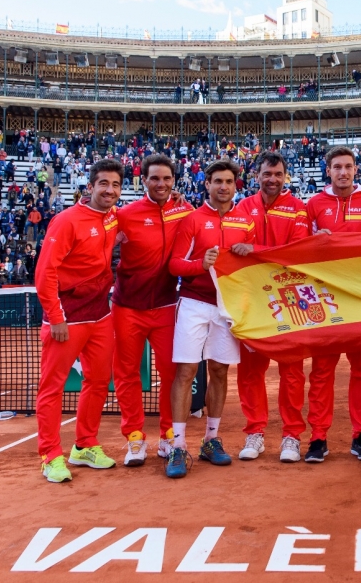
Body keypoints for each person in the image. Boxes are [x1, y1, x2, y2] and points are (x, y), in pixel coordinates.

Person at [35, 158, 123, 483]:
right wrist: (56, 317)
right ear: (90, 186)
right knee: (52, 387)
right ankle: (50, 456)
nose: (110, 190)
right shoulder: (65, 221)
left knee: (99, 381)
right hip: (66, 319)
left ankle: (84, 445)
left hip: (100, 314)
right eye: (103, 183)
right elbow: (45, 272)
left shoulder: (113, 218)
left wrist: (177, 202)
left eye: (115, 185)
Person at [166, 159, 255, 478]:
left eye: (229, 181)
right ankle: (177, 446)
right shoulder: (192, 220)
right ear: (207, 184)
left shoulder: (245, 221)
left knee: (219, 370)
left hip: (226, 306)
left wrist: (251, 248)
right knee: (186, 371)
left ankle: (211, 440)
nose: (223, 186)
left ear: (235, 185)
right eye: (217, 181)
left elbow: (255, 264)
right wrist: (200, 265)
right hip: (193, 303)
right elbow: (175, 265)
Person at [111, 154, 193, 468]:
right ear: (143, 180)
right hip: (127, 306)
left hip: (166, 305)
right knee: (127, 374)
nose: (161, 184)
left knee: (172, 374)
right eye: (155, 178)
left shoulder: (184, 211)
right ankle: (134, 439)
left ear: (174, 181)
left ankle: (169, 435)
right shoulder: (125, 215)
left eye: (167, 179)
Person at [305, 146, 361, 463]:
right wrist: (314, 239)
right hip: (325, 299)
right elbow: (301, 248)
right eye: (337, 167)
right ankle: (317, 437)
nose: (343, 172)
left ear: (355, 170)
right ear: (328, 170)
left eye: (348, 166)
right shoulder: (314, 204)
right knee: (322, 371)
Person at [233, 152, 310, 463]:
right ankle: (255, 431)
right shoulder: (242, 208)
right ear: (257, 175)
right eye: (267, 173)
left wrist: (256, 250)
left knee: (292, 372)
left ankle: (291, 436)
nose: (272, 179)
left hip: (289, 301)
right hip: (252, 302)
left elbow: (296, 253)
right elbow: (232, 247)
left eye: (278, 174)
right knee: (250, 372)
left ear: (285, 176)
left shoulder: (298, 209)